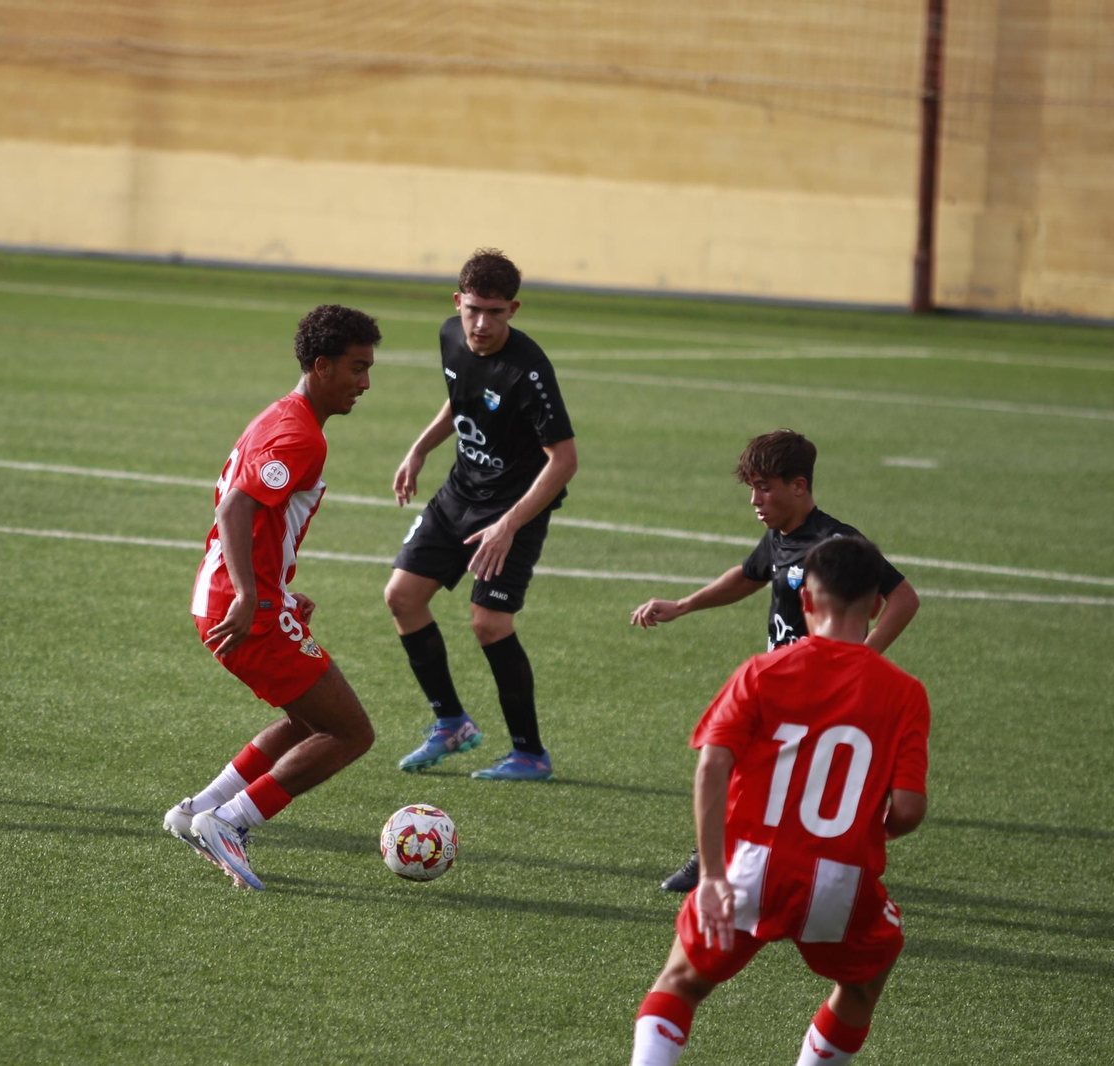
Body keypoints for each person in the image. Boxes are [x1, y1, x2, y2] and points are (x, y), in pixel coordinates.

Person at [629, 535, 930, 1066]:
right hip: (841, 880)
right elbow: (906, 810)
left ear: (807, 602)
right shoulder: (904, 692)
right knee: (863, 982)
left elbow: (712, 765)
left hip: (748, 866)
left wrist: (714, 876)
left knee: (680, 982)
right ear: (877, 606)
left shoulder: (762, 672)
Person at [630, 428, 920, 889]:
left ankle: (721, 865)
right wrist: (684, 605)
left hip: (821, 688)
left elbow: (903, 597)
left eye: (764, 487)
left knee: (750, 770)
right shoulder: (781, 535)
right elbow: (748, 576)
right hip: (781, 681)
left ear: (799, 486)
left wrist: (863, 660)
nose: (754, 501)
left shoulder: (836, 543)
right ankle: (770, 864)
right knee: (766, 776)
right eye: (752, 489)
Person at [164, 304, 381, 891]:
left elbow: (251, 509)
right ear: (322, 365)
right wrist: (253, 595)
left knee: (307, 719)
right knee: (350, 734)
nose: (365, 383)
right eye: (357, 369)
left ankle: (194, 812)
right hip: (244, 609)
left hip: (236, 599)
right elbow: (236, 506)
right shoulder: (302, 435)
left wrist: (276, 591)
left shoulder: (282, 415)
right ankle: (228, 822)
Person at [386, 249, 577, 781]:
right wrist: (419, 449)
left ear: (513, 309)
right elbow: (460, 400)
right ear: (458, 302)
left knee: (489, 624)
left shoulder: (529, 371)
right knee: (402, 596)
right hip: (459, 493)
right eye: (473, 309)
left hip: (511, 509)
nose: (482, 323)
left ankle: (529, 753)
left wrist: (509, 525)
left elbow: (564, 461)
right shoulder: (450, 335)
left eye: (495, 312)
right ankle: (451, 723)